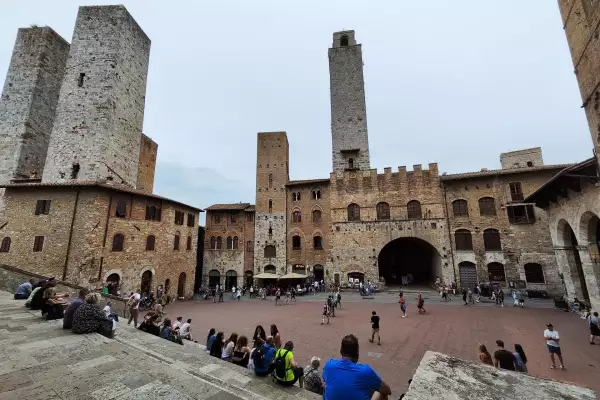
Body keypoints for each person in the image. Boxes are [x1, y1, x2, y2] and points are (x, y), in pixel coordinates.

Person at [323, 334, 392, 400]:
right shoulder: (365, 371)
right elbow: (388, 390)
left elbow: (325, 381)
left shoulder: (329, 365)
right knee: (381, 392)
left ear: (341, 351)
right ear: (357, 353)